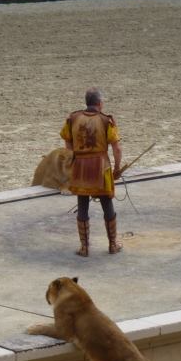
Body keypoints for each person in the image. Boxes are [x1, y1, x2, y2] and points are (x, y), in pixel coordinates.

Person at [60, 88, 123, 257]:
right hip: (101, 168)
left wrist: (74, 159)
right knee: (107, 203)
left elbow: (67, 142)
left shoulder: (73, 119)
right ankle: (112, 245)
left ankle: (84, 248)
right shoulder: (105, 121)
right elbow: (116, 148)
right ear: (100, 103)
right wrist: (117, 168)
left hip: (80, 168)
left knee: (82, 204)